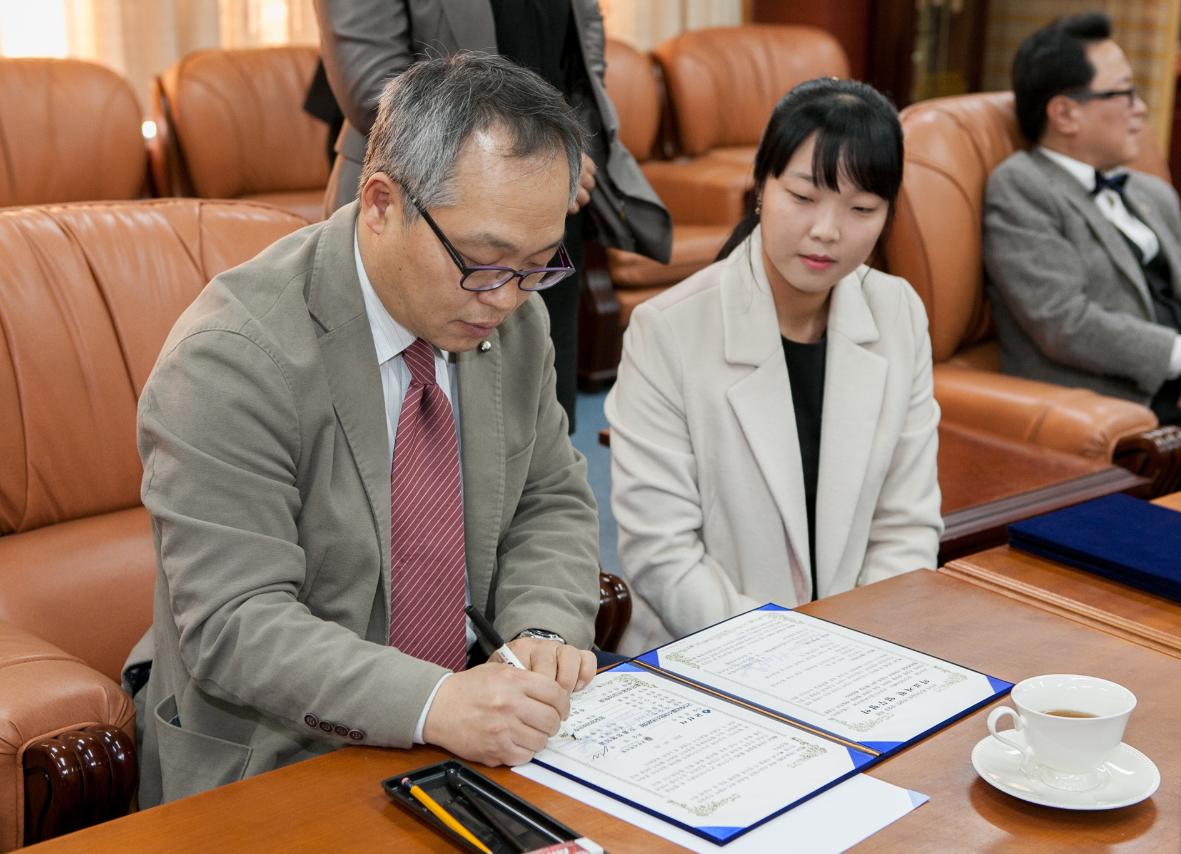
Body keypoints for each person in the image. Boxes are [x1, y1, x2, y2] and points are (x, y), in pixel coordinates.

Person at [127, 54, 601, 807]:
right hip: (274, 755)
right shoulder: (231, 361)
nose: (507, 298)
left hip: (474, 732)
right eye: (483, 262)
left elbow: (548, 496)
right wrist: (434, 703)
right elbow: (236, 622)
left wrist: (542, 633)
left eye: (538, 266)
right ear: (380, 202)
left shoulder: (512, 319)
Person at [604, 78, 942, 654]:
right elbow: (664, 555)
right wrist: (791, 658)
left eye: (861, 208)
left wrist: (857, 645)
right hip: (709, 657)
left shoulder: (898, 313)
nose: (827, 231)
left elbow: (906, 525)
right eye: (804, 197)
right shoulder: (669, 330)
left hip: (862, 654)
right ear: (761, 186)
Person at [314, 0, 673, 433]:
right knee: (396, 433)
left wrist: (561, 150)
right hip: (429, 204)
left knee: (536, 423)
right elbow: (372, 85)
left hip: (550, 206)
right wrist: (526, 160)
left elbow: (583, 45)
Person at [985, 13, 1181, 486]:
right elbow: (1062, 320)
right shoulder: (1022, 187)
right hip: (1146, 417)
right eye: (1123, 94)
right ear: (1065, 113)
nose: (1140, 108)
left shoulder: (1148, 190)